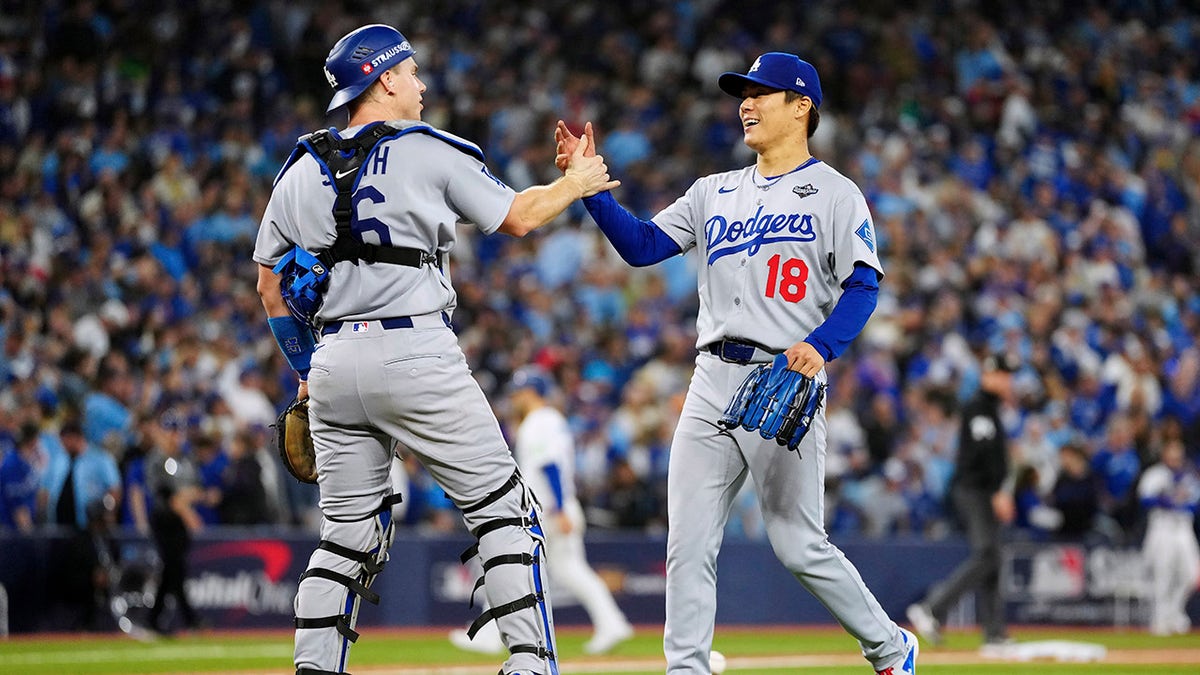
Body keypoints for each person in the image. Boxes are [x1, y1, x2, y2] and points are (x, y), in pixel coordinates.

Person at [253, 23, 616, 675]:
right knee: (506, 511)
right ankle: (531, 664)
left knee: (343, 541)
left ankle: (315, 667)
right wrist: (578, 181)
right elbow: (520, 216)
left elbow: (270, 289)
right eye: (412, 72)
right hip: (414, 346)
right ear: (385, 78)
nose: (421, 84)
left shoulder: (299, 167)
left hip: (333, 360)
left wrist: (306, 369)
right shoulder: (425, 148)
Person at [555, 52, 917, 675]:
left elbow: (862, 285)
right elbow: (643, 246)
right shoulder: (713, 190)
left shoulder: (836, 193)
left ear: (802, 106)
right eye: (742, 92)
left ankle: (890, 646)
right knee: (687, 544)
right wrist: (590, 194)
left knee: (798, 544)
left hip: (786, 378)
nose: (746, 102)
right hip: (710, 378)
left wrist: (821, 345)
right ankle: (687, 668)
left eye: (763, 92)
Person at [450, 367, 634, 656]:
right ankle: (612, 622)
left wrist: (559, 508)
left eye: (520, 391)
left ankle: (487, 634)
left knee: (504, 559)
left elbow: (550, 466)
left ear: (531, 391)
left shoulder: (539, 421)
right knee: (570, 570)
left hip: (547, 509)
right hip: (555, 507)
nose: (516, 397)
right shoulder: (551, 419)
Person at [907, 352, 1018, 649]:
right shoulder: (979, 408)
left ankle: (994, 633)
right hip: (975, 490)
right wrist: (999, 490)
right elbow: (985, 455)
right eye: (1003, 375)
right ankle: (933, 608)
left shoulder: (988, 408)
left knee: (992, 557)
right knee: (986, 554)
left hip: (980, 489)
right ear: (989, 376)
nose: (1008, 381)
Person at [144, 408, 204, 634]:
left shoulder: (186, 458)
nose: (174, 436)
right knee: (173, 567)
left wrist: (183, 499)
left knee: (173, 570)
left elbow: (198, 489)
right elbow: (164, 495)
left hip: (179, 524)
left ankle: (155, 619)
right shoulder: (156, 459)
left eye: (177, 431)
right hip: (163, 521)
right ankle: (189, 619)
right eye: (170, 430)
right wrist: (184, 504)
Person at [1137, 439, 1200, 636]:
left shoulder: (1189, 475)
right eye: (1171, 453)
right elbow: (1145, 499)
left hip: (1183, 528)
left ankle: (1174, 613)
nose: (1174, 458)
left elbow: (1195, 504)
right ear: (1164, 454)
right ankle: (1160, 619)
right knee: (1162, 575)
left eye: (1177, 453)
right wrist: (1167, 500)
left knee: (1190, 575)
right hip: (1162, 527)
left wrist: (1176, 503)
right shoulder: (1155, 474)